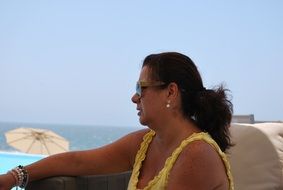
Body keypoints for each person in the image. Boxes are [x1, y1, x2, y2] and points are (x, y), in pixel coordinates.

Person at [0, 52, 234, 190]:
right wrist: (12, 178)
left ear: (171, 93)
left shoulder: (197, 155)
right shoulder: (146, 143)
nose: (134, 97)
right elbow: (78, 161)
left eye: (140, 88)